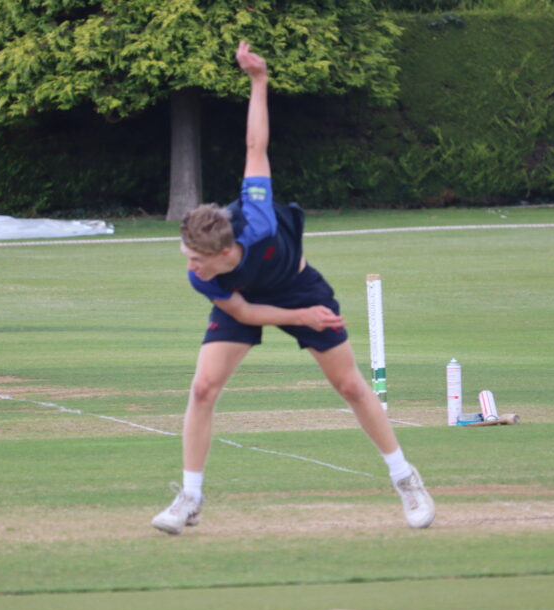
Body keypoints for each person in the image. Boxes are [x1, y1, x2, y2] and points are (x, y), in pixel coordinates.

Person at [152, 42, 435, 535]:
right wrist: (300, 321)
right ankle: (190, 498)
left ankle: (406, 478)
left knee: (351, 386)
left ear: (224, 252)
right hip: (256, 304)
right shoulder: (203, 276)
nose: (189, 266)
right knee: (202, 388)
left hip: (300, 289)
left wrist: (259, 80)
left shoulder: (258, 219)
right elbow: (243, 313)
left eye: (196, 258)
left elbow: (255, 148)